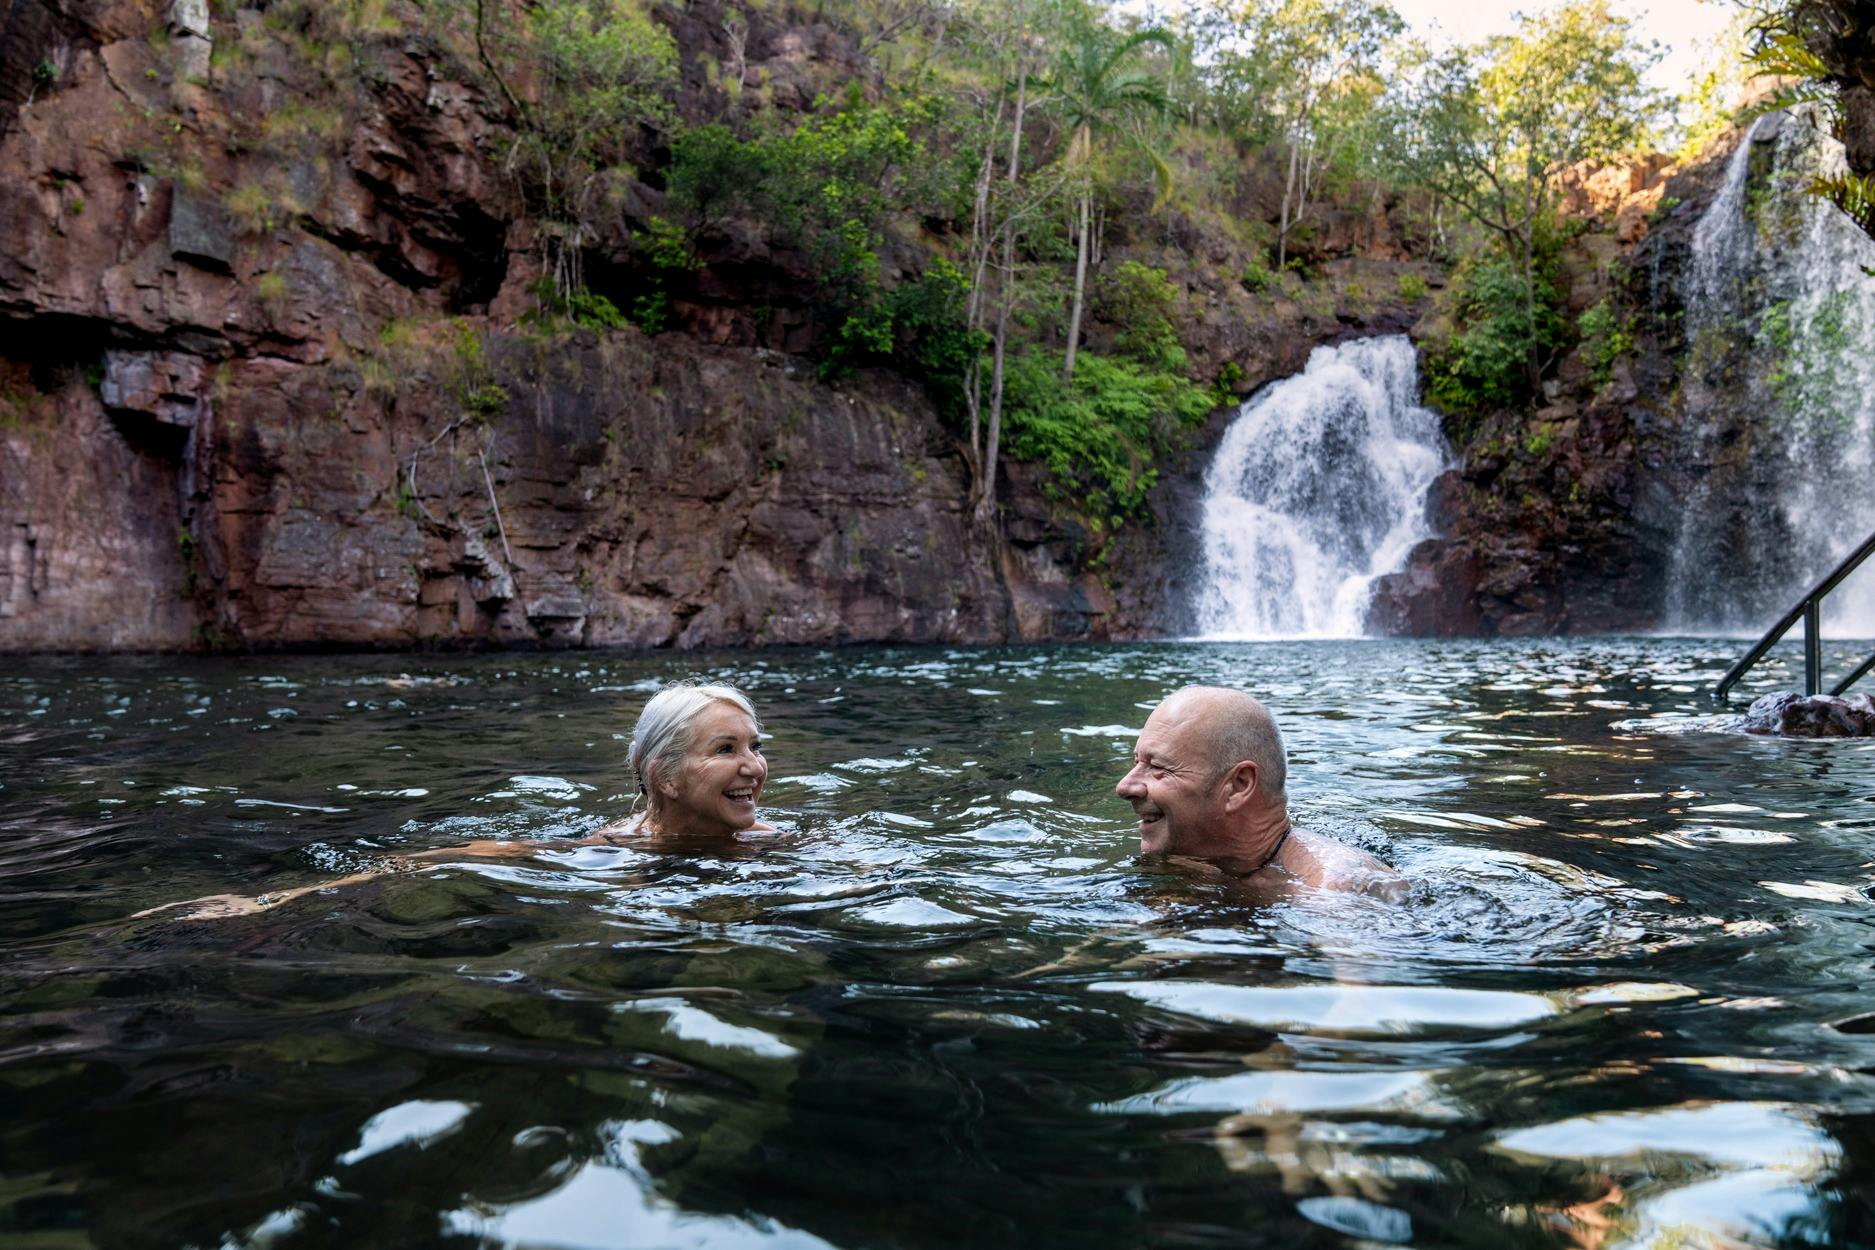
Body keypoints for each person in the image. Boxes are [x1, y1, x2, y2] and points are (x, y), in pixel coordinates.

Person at [134, 681, 773, 920]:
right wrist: (275, 899)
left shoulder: (772, 840)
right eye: (725, 749)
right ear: (663, 777)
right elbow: (445, 858)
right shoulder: (611, 850)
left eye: (753, 745)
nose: (754, 766)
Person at [1116, 685, 1401, 895]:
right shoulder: (1207, 865)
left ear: (1239, 786)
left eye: (1158, 768)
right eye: (1136, 761)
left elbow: (1366, 972)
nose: (1125, 787)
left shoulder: (1335, 890)